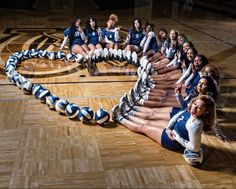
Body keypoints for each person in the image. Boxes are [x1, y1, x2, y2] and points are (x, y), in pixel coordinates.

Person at [113, 95, 216, 153]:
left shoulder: (195, 125)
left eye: (199, 108)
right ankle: (128, 113)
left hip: (172, 141)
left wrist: (176, 137)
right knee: (149, 121)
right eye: (195, 104)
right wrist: (169, 128)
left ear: (206, 112)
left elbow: (195, 148)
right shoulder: (192, 111)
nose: (194, 108)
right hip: (172, 130)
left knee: (144, 127)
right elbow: (177, 116)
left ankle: (119, 118)